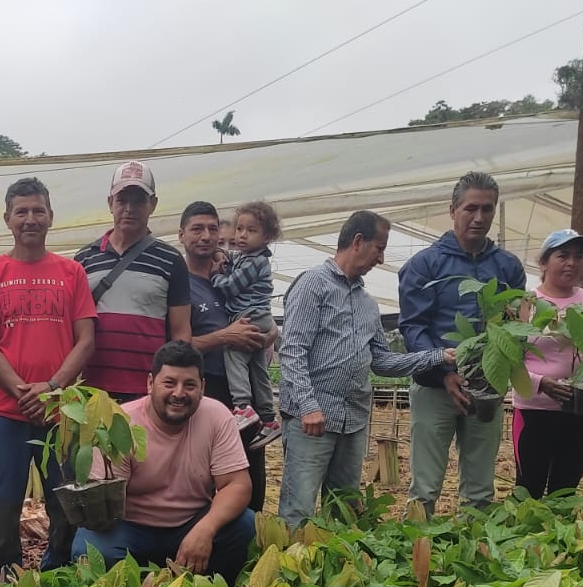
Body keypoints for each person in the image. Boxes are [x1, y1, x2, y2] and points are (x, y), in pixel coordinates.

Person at [278, 211, 456, 529]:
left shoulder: (368, 303)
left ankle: (335, 558)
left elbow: (382, 361)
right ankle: (290, 558)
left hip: (353, 420)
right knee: (299, 508)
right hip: (313, 419)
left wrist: (437, 357)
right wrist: (308, 405)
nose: (381, 258)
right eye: (380, 248)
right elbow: (293, 350)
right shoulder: (312, 285)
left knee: (344, 509)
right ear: (358, 241)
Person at [0, 177, 97, 584]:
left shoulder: (71, 272)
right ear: (7, 219)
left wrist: (52, 387)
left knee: (66, 501)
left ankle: (59, 573)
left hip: (62, 410)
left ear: (50, 216)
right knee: (2, 503)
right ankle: (0, 582)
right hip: (6, 411)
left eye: (38, 211)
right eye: (21, 212)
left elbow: (86, 340)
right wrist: (24, 391)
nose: (30, 219)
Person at [399, 170, 526, 513]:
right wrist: (444, 373)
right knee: (425, 487)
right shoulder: (425, 265)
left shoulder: (507, 267)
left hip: (486, 389)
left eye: (487, 209)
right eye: (471, 208)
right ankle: (418, 542)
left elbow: (512, 325)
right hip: (434, 388)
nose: (479, 217)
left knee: (480, 490)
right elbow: (413, 328)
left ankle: (477, 543)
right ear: (453, 210)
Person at [73, 341, 254, 579]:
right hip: (130, 526)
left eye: (189, 385)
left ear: (202, 387)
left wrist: (206, 529)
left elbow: (237, 484)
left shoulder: (217, 416)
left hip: (191, 523)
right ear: (150, 383)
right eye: (169, 383)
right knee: (91, 551)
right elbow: (104, 501)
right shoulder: (121, 422)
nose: (179, 393)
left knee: (246, 526)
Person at [178, 202, 272, 510]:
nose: (206, 236)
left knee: (249, 471)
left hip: (243, 392)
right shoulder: (178, 284)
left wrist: (269, 334)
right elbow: (176, 345)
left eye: (213, 228)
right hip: (208, 388)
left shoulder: (236, 269)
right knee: (204, 475)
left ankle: (250, 531)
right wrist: (225, 336)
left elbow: (266, 320)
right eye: (197, 229)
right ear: (181, 235)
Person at [75, 160, 193, 401]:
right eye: (122, 200)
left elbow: (181, 331)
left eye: (139, 200)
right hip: (91, 391)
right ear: (110, 203)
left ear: (153, 204)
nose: (129, 208)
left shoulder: (171, 260)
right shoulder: (84, 259)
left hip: (147, 393)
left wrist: (172, 386)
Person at [510, 228, 583, 498]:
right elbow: (510, 359)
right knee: (528, 490)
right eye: (563, 255)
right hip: (535, 411)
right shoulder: (525, 304)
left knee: (566, 489)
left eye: (578, 257)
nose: (571, 263)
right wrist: (540, 382)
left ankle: (562, 527)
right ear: (543, 262)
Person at [211, 201, 281, 448]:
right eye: (239, 229)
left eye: (251, 231)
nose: (242, 235)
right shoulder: (247, 257)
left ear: (267, 237)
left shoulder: (256, 261)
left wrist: (215, 274)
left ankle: (242, 407)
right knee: (257, 369)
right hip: (259, 317)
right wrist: (222, 255)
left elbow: (231, 286)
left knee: (233, 352)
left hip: (249, 315)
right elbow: (233, 259)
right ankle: (269, 418)